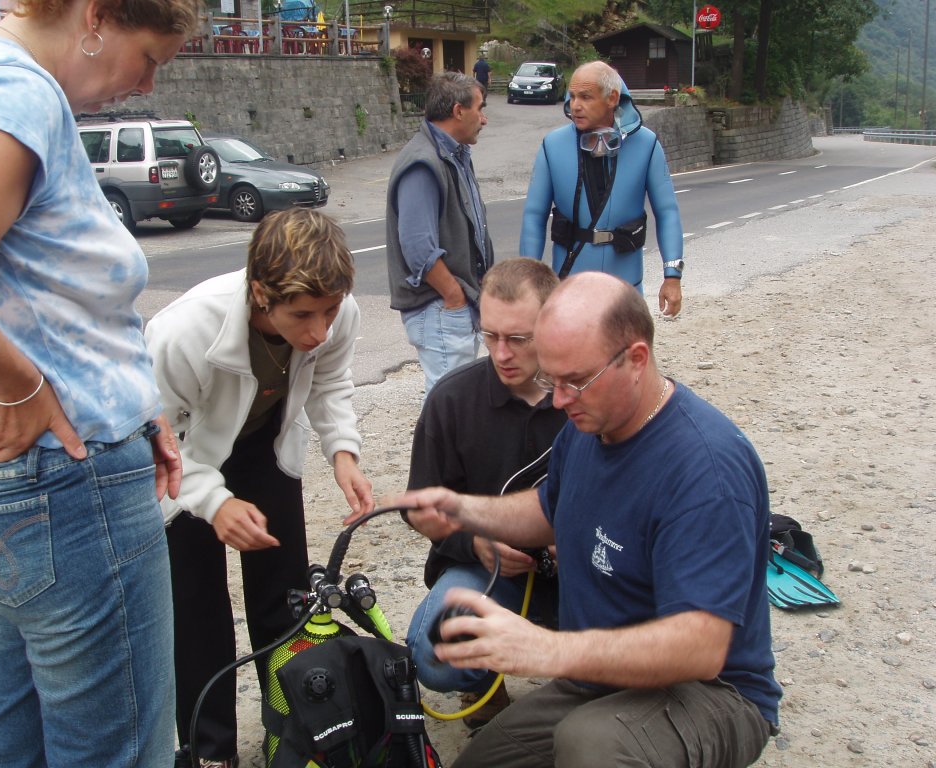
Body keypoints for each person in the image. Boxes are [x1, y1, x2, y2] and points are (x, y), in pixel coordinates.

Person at [0, 0, 195, 764]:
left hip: (4, 483)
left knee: (17, 736)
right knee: (121, 752)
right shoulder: (17, 94)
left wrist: (138, 411)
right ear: (97, 16)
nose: (144, 85)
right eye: (151, 58)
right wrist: (20, 385)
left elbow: (45, 296)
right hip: (67, 490)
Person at [401, 271, 781, 768]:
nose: (558, 401)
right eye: (551, 381)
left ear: (636, 359)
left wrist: (547, 650)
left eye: (575, 382)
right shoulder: (589, 426)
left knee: (590, 744)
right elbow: (550, 509)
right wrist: (461, 509)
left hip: (710, 693)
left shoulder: (704, 471)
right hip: (601, 679)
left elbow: (701, 648)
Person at [144, 208, 375, 768]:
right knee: (197, 613)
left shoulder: (335, 314)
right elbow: (153, 442)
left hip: (264, 445)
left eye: (329, 311)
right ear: (259, 294)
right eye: (302, 315)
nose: (319, 329)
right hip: (185, 459)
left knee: (286, 599)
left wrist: (342, 451)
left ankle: (293, 731)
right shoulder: (181, 334)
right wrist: (213, 503)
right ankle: (211, 752)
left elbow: (330, 381)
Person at [403, 258, 566, 729]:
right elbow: (421, 509)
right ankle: (483, 685)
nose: (501, 353)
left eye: (518, 339)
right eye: (490, 336)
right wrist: (474, 544)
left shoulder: (586, 393)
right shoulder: (452, 401)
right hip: (490, 573)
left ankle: (588, 692)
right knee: (435, 654)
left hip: (587, 571)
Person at [519, 60, 686, 317]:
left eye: (586, 97)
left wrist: (672, 275)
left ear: (612, 98)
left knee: (625, 356)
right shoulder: (553, 146)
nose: (575, 105)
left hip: (626, 288)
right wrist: (526, 282)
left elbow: (667, 212)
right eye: (572, 96)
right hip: (569, 286)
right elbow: (534, 215)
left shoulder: (646, 145)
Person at [386, 71, 494, 397]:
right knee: (450, 409)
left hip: (451, 307)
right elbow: (418, 246)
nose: (485, 119)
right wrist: (454, 296)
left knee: (456, 407)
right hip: (440, 308)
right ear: (458, 111)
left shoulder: (452, 154)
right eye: (480, 108)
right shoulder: (423, 161)